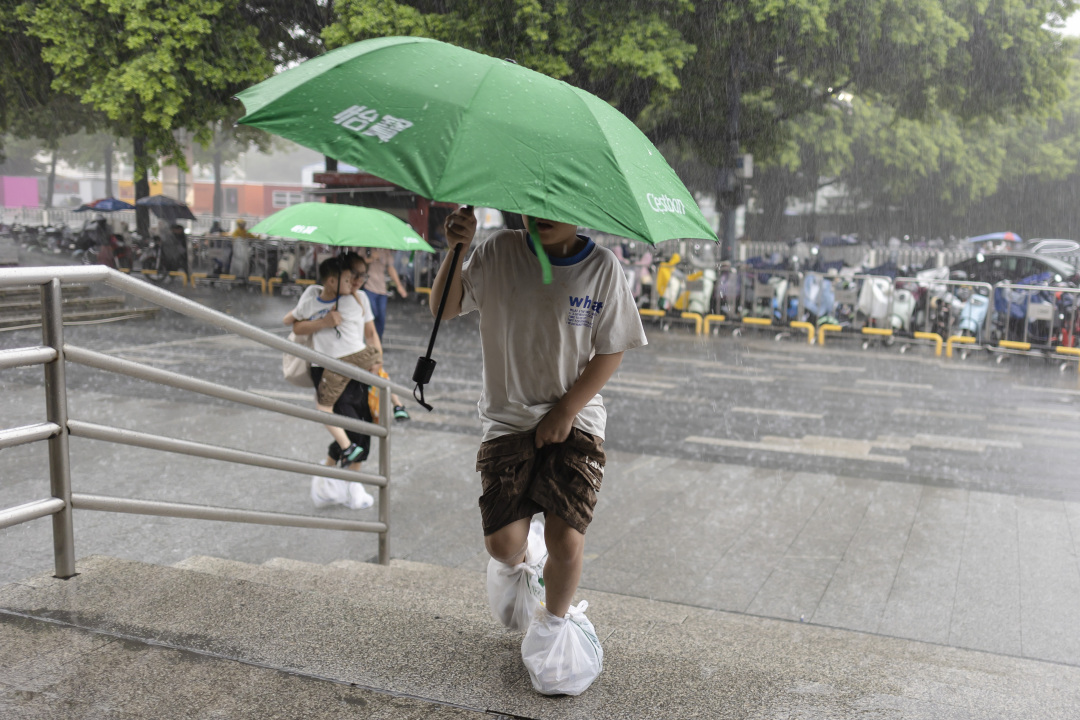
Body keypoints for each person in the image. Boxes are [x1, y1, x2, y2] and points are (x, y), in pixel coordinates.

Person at [430, 206, 647, 695]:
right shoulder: (498, 250)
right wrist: (457, 248)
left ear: (585, 208)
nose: (541, 214)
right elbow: (444, 309)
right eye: (534, 203)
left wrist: (565, 411)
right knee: (502, 545)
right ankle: (525, 558)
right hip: (506, 421)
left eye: (559, 205)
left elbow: (610, 350)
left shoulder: (602, 267)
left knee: (567, 539)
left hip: (577, 421)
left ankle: (554, 625)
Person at [283, 255, 382, 510]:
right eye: (354, 275)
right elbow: (295, 325)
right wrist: (324, 322)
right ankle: (336, 481)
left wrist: (378, 364)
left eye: (363, 275)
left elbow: (370, 334)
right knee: (351, 425)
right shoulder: (316, 295)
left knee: (365, 424)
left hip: (357, 368)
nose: (358, 281)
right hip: (328, 369)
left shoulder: (361, 299)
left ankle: (342, 482)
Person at [360, 247, 411, 420]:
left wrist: (399, 286)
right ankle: (397, 404)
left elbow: (390, 268)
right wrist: (368, 259)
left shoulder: (385, 252)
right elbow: (358, 266)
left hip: (381, 290)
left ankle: (397, 405)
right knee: (371, 322)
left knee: (378, 325)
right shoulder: (363, 249)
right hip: (369, 289)